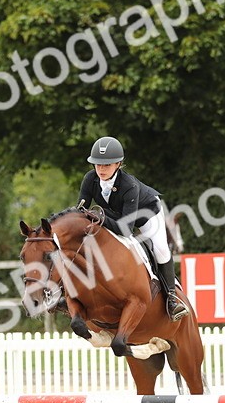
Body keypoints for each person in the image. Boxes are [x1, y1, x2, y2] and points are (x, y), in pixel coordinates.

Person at [76, 136, 189, 321]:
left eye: (107, 165)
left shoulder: (129, 185)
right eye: (98, 164)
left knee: (161, 249)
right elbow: (80, 209)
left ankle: (172, 298)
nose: (101, 169)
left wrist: (101, 218)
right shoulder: (90, 179)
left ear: (118, 164)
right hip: (116, 214)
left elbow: (126, 230)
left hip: (146, 214)